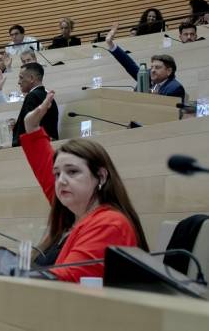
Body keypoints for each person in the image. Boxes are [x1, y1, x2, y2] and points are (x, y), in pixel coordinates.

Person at [20, 91, 148, 282]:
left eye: (72, 172)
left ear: (101, 176)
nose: (61, 180)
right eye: (57, 174)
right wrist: (32, 127)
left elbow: (67, 281)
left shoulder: (109, 224)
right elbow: (47, 170)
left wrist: (10, 275)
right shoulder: (70, 216)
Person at [104, 23, 185, 100]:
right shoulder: (147, 79)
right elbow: (129, 64)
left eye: (157, 67)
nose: (152, 70)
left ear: (169, 71)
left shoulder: (175, 88)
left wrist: (156, 98)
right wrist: (110, 44)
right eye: (152, 67)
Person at [11, 62, 59, 147]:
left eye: (21, 78)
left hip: (37, 147)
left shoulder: (32, 96)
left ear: (32, 78)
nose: (19, 82)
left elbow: (28, 130)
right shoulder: (47, 96)